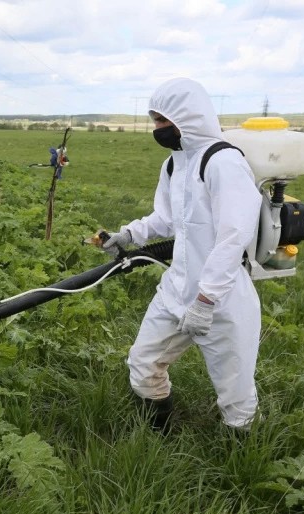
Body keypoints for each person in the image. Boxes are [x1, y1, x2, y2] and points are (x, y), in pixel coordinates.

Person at [102, 77, 262, 434]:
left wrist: (206, 300)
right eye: (154, 120)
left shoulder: (223, 162)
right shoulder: (175, 164)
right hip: (176, 290)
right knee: (143, 364)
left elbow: (233, 237)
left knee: (235, 393)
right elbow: (166, 219)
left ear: (188, 117)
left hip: (221, 300)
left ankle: (242, 455)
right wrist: (128, 234)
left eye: (163, 120)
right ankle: (161, 437)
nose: (157, 129)